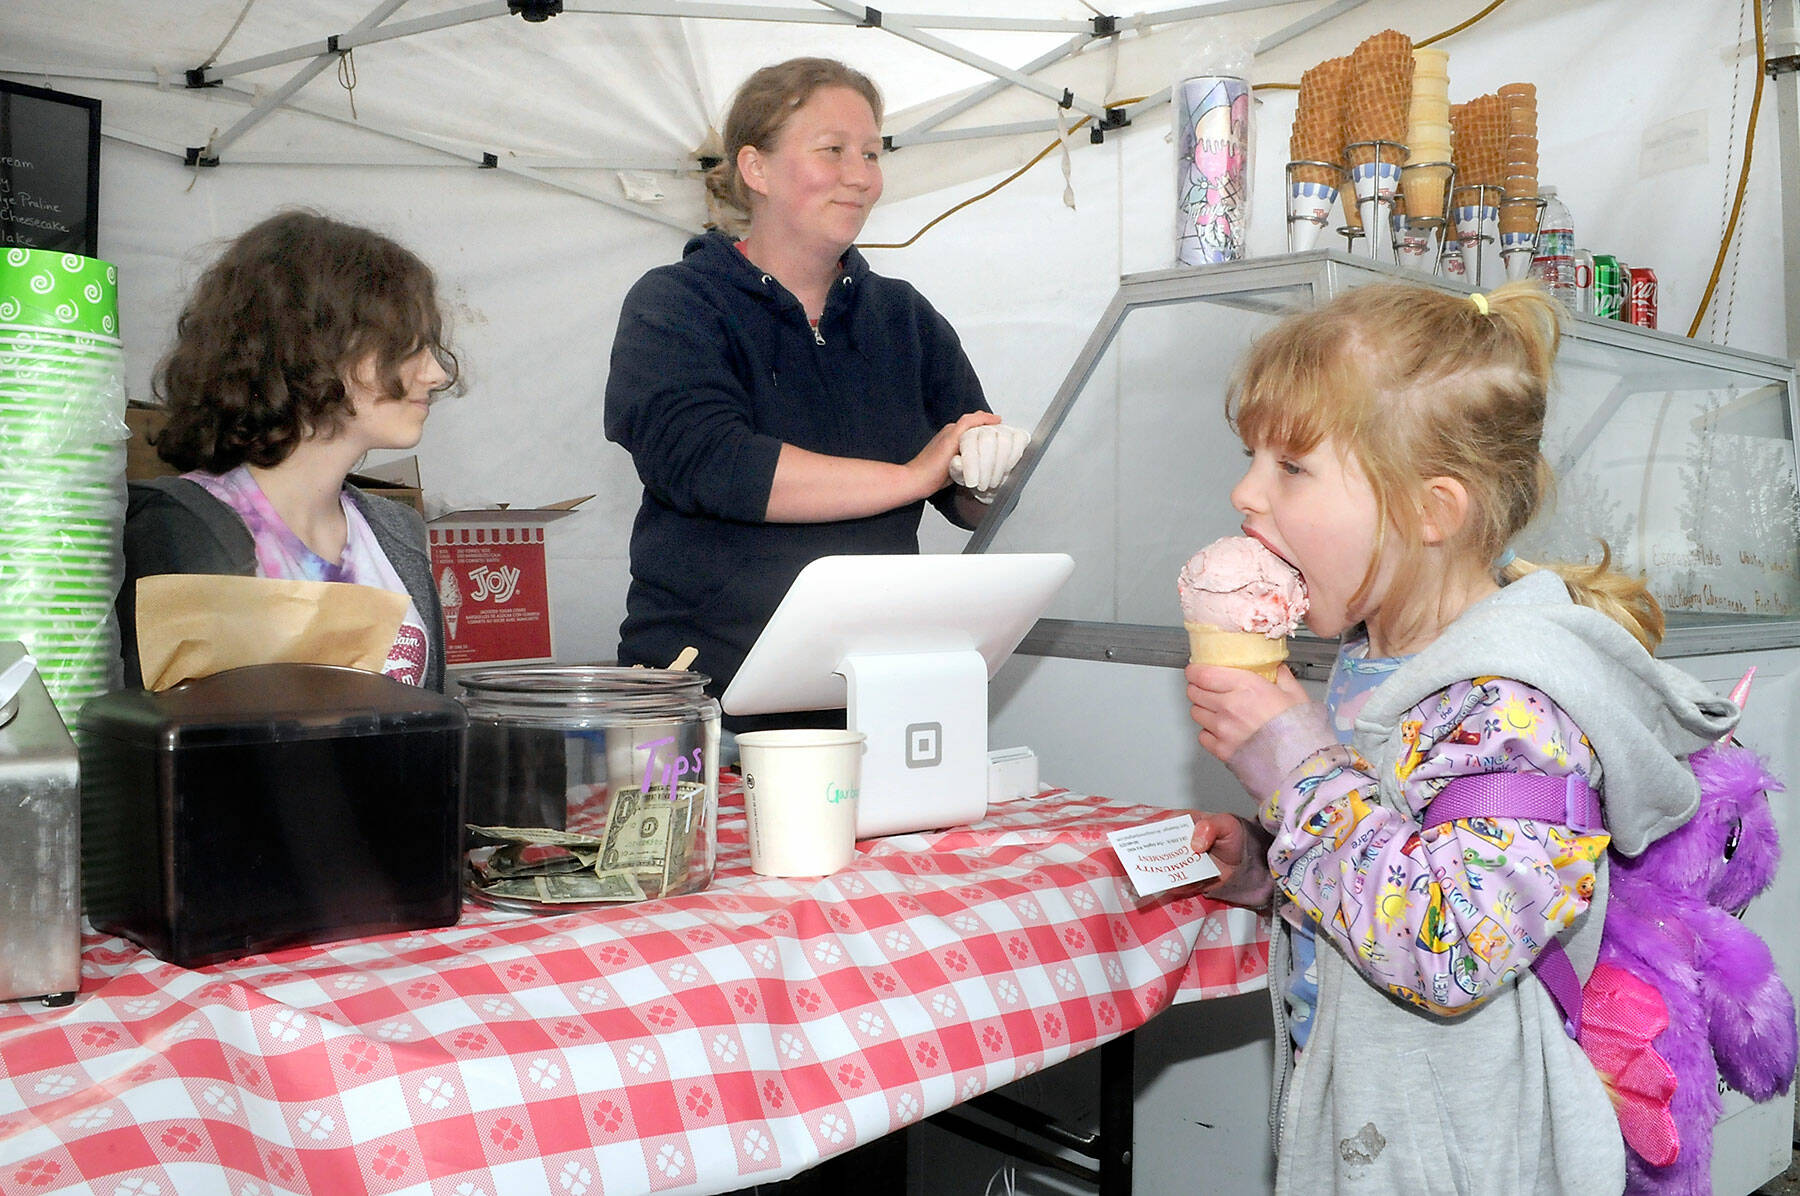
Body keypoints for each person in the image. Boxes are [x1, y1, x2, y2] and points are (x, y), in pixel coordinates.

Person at [1183, 281, 1738, 1194]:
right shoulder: (1375, 658)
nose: (1244, 491)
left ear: (1430, 511)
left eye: (1293, 468)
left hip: (1464, 1156)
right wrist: (1265, 864)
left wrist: (1298, 772)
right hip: (1370, 1126)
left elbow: (1451, 942)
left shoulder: (1511, 709)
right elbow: (1384, 856)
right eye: (1252, 457)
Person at [604, 57, 1029, 717]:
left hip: (872, 692)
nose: (860, 176)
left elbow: (965, 497)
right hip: (707, 698)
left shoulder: (904, 317)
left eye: (871, 152)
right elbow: (712, 462)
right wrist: (914, 475)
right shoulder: (679, 302)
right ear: (756, 168)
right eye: (832, 151)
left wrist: (989, 476)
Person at [120, 210, 457, 691]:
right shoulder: (185, 529)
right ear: (313, 346)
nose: (436, 375)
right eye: (407, 347)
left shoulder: (394, 532)